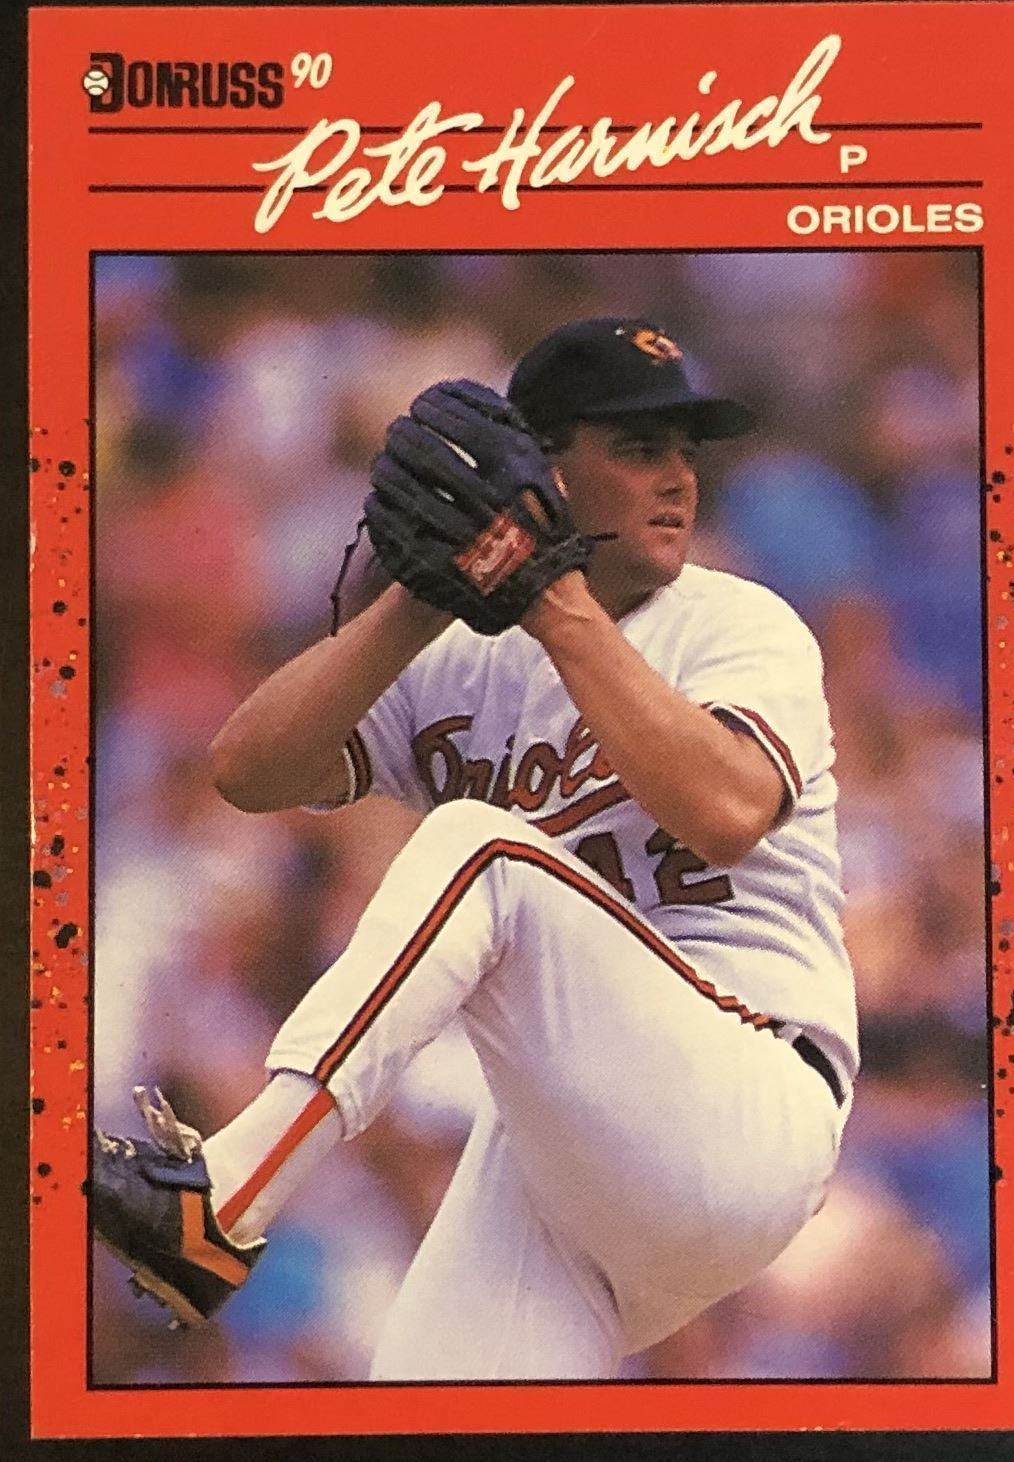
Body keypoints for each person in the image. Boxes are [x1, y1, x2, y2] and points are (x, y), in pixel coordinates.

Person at [92, 317, 858, 1380]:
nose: (678, 478)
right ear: (541, 467)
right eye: (639, 448)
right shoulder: (460, 660)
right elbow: (248, 770)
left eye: (685, 451)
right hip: (566, 1160)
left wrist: (550, 598)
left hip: (747, 1099)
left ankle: (225, 1196)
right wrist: (420, 596)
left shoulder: (736, 622)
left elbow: (728, 810)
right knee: (424, 1404)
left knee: (482, 846)